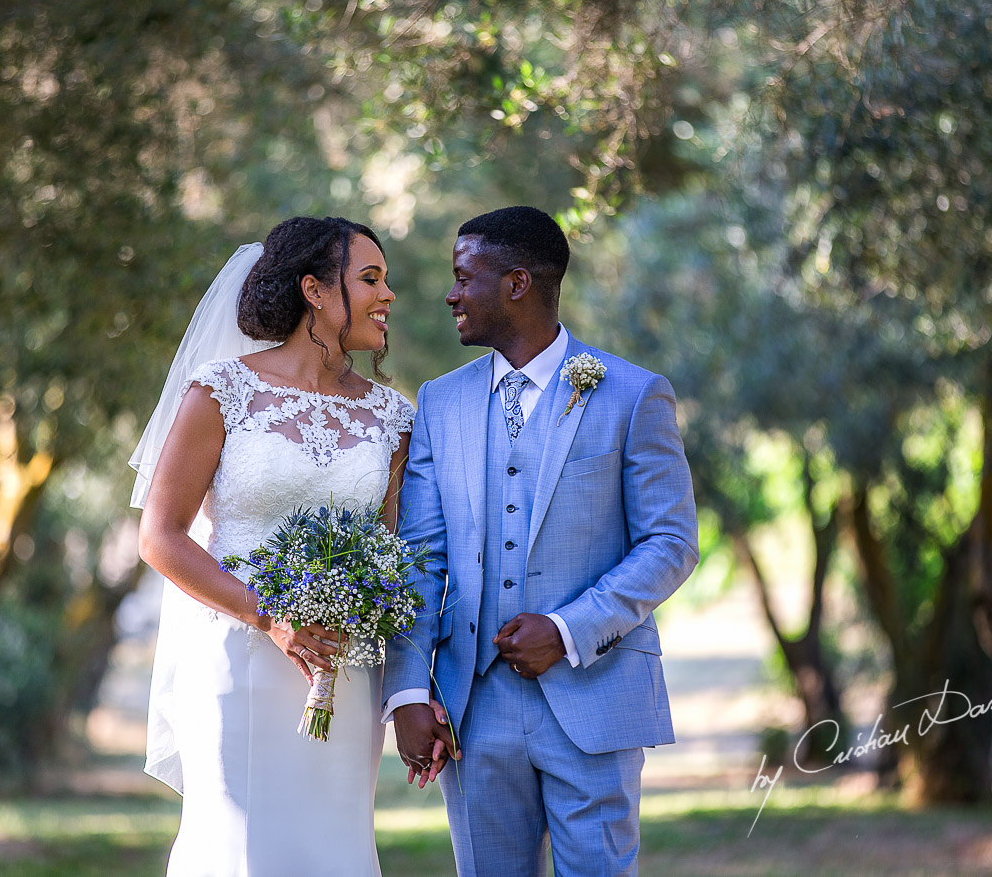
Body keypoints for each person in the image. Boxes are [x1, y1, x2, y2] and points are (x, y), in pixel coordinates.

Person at [383, 206, 699, 876]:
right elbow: (420, 557)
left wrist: (566, 627)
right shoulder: (441, 402)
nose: (450, 294)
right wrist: (408, 692)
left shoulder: (633, 395)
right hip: (476, 709)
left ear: (517, 283)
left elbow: (671, 542)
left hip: (596, 695)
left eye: (464, 277)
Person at [130, 216, 421, 876]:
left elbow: (398, 552)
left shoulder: (393, 417)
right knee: (239, 850)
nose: (388, 296)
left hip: (345, 672)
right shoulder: (223, 391)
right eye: (370, 279)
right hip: (238, 664)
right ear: (315, 291)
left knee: (335, 849)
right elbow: (161, 536)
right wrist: (271, 616)